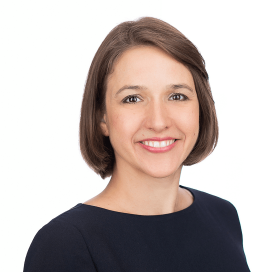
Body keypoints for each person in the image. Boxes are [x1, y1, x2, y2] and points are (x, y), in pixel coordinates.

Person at [23, 17, 251, 271]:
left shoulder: (223, 216)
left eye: (177, 96)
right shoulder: (64, 245)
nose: (158, 121)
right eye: (132, 98)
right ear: (102, 117)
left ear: (202, 108)